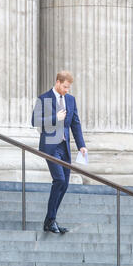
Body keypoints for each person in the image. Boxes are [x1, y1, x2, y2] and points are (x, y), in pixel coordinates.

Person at [31, 71, 87, 233]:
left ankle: (50, 220)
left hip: (64, 147)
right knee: (59, 180)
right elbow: (34, 121)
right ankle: (50, 220)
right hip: (50, 146)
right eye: (64, 87)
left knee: (65, 184)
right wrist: (55, 118)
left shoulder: (70, 100)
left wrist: (81, 145)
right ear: (57, 82)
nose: (67, 90)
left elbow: (75, 124)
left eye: (69, 87)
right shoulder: (44, 98)